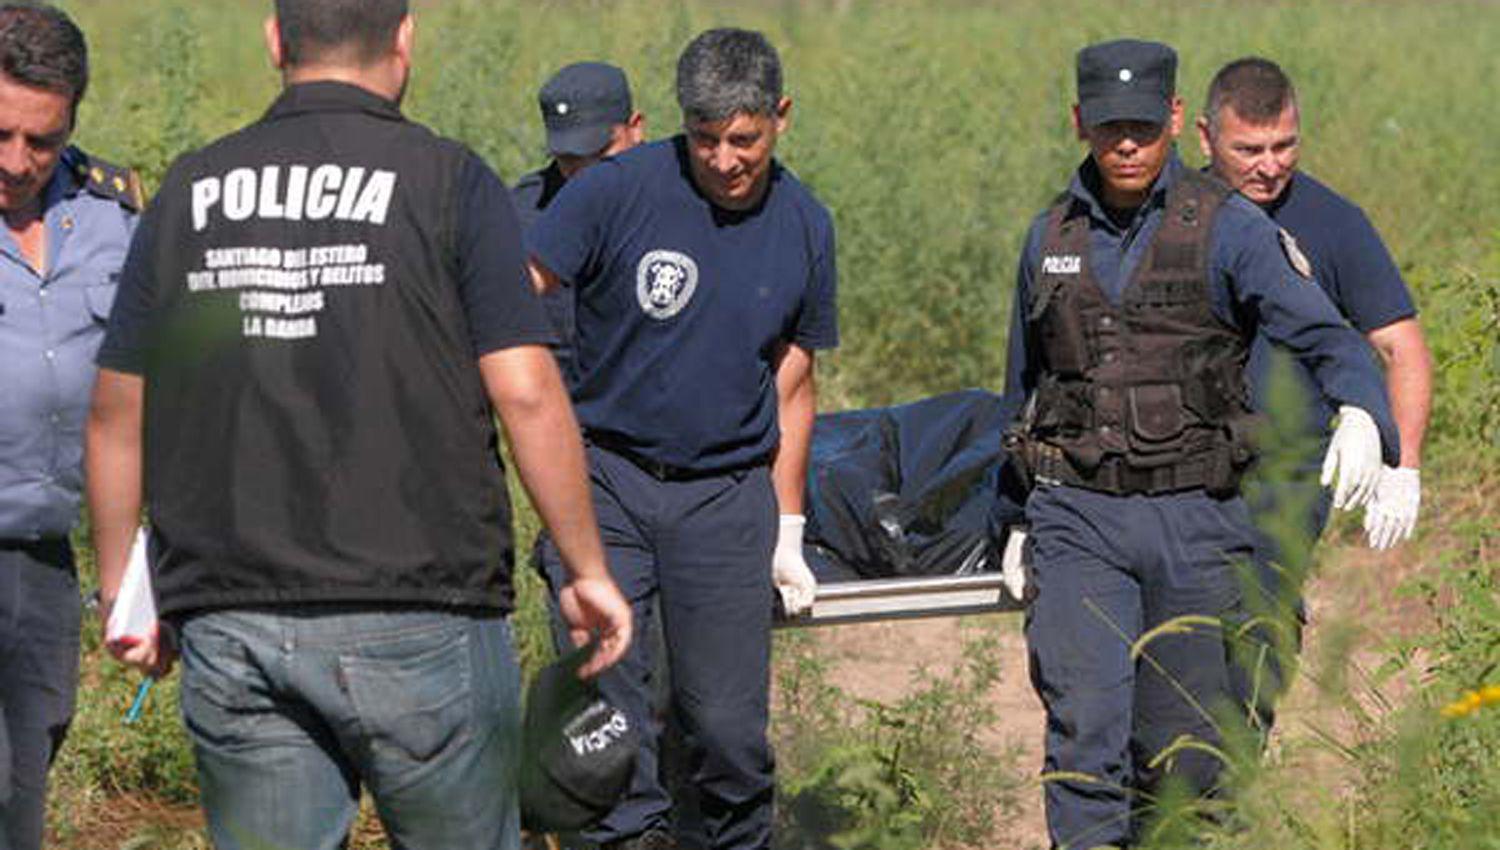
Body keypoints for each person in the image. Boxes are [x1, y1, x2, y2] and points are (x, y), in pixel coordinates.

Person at [84, 2, 631, 849]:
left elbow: (119, 409)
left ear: (275, 41)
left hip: (234, 610)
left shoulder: (191, 191)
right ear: (404, 41)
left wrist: (123, 586)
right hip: (423, 604)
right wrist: (586, 566)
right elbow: (527, 393)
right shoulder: (448, 180)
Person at [1002, 39, 1400, 849]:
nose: (1126, 145)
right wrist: (1010, 518)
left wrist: (1365, 413)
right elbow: (1025, 384)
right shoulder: (1050, 236)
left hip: (1196, 518)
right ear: (1080, 123)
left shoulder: (1229, 231)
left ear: (1176, 121)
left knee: (1182, 758)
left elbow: (1332, 339)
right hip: (1077, 518)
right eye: (1110, 127)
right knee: (1086, 736)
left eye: (1143, 129)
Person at [527, 27, 836, 850]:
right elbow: (515, 295)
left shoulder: (805, 224)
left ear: (781, 116)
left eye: (744, 140)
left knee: (728, 731)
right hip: (609, 483)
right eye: (704, 139)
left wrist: (790, 529)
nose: (724, 159)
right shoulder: (616, 190)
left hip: (725, 496)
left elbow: (795, 384)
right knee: (608, 717)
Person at [1196, 56, 1434, 732]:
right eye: (1249, 149)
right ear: (1206, 138)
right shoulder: (1176, 214)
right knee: (1171, 650)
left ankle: (1225, 809)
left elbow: (1401, 346)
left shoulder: (1334, 222)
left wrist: (1403, 465)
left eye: (1284, 145)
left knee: (1252, 647)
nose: (1270, 165)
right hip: (1177, 467)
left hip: (1285, 480)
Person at [0, 5, 139, 849]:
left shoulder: (114, 215)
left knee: (32, 754)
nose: (14, 162)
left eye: (40, 142)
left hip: (46, 552)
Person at [512, 61, 645, 389]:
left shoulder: (674, 200)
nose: (585, 175)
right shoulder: (522, 215)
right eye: (569, 160)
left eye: (599, 155)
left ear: (636, 128)